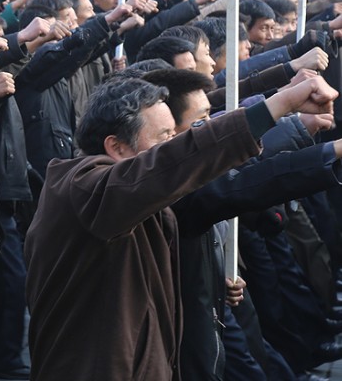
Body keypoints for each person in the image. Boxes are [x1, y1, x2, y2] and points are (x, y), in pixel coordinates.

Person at [24, 74, 339, 381]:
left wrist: (214, 282)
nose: (174, 145)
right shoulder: (86, 189)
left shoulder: (137, 199)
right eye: (164, 139)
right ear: (117, 147)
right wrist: (279, 104)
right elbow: (174, 162)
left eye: (176, 135)